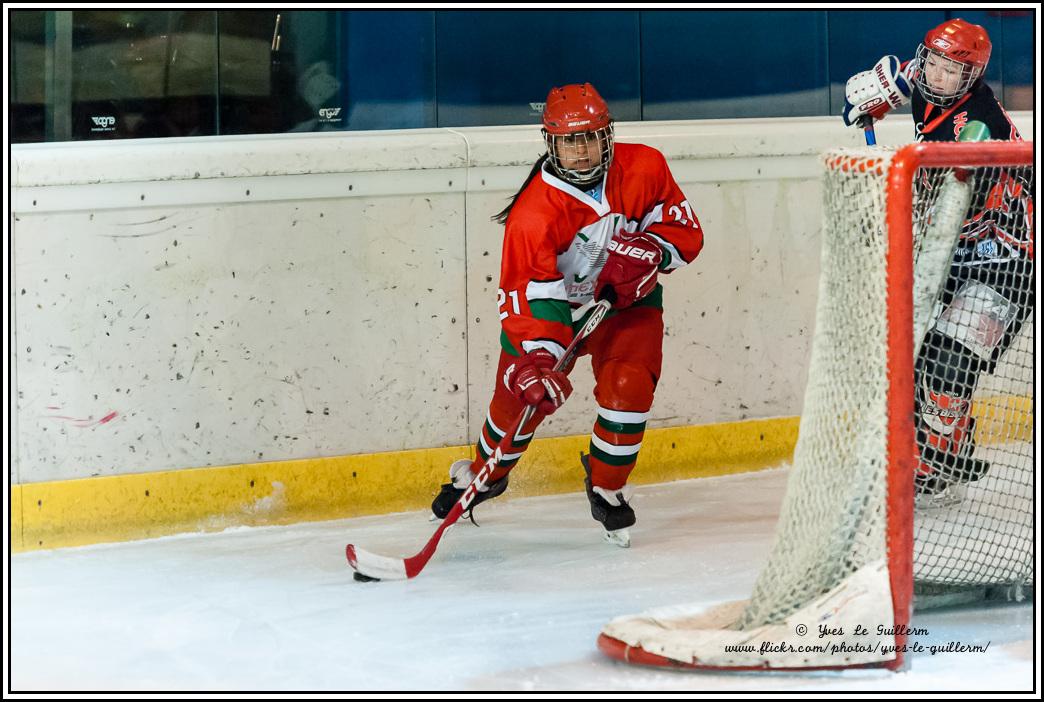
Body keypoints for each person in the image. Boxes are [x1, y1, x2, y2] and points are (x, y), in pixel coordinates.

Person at [430, 83, 705, 545]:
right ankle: (486, 472)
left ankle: (608, 488)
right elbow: (528, 293)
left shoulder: (645, 166)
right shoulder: (533, 214)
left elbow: (684, 228)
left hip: (629, 307)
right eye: (568, 140)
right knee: (521, 402)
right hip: (559, 309)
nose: (581, 150)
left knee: (628, 389)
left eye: (591, 137)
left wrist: (652, 252)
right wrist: (538, 359)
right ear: (550, 142)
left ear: (608, 135)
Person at [842, 18, 1033, 503]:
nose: (938, 75)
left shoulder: (978, 125)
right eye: (934, 62)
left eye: (952, 70)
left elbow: (946, 191)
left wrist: (894, 183)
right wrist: (877, 92)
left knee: (947, 359)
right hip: (956, 249)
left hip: (1007, 259)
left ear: (971, 78)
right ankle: (945, 439)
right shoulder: (932, 81)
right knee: (910, 347)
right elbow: (894, 77)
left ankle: (941, 458)